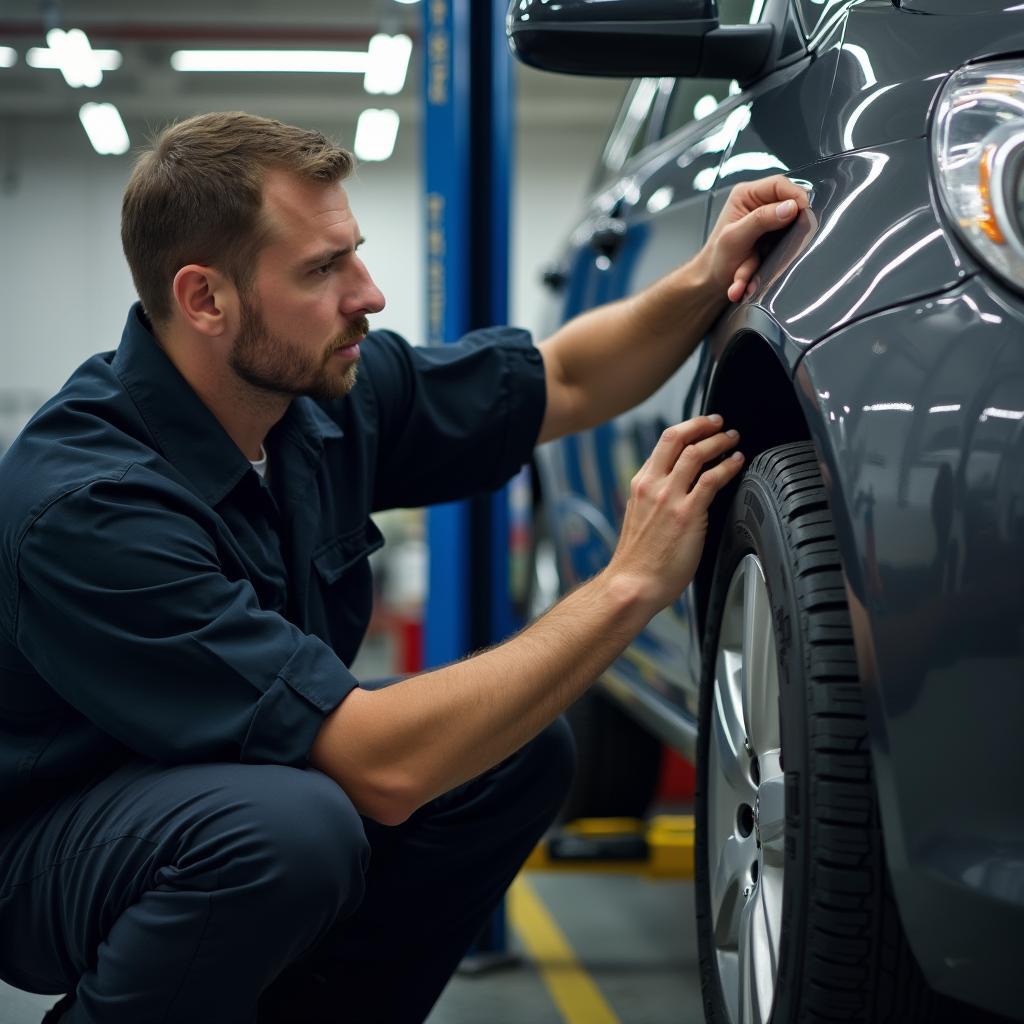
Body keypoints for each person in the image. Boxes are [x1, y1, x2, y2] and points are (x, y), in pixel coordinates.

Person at [0, 112, 807, 1024]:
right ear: (205, 299)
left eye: (356, 253)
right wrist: (629, 585)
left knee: (507, 756)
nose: (370, 294)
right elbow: (380, 766)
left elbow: (567, 380)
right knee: (290, 834)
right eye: (321, 270)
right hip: (47, 841)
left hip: (214, 792)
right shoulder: (92, 504)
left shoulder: (315, 398)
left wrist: (708, 277)